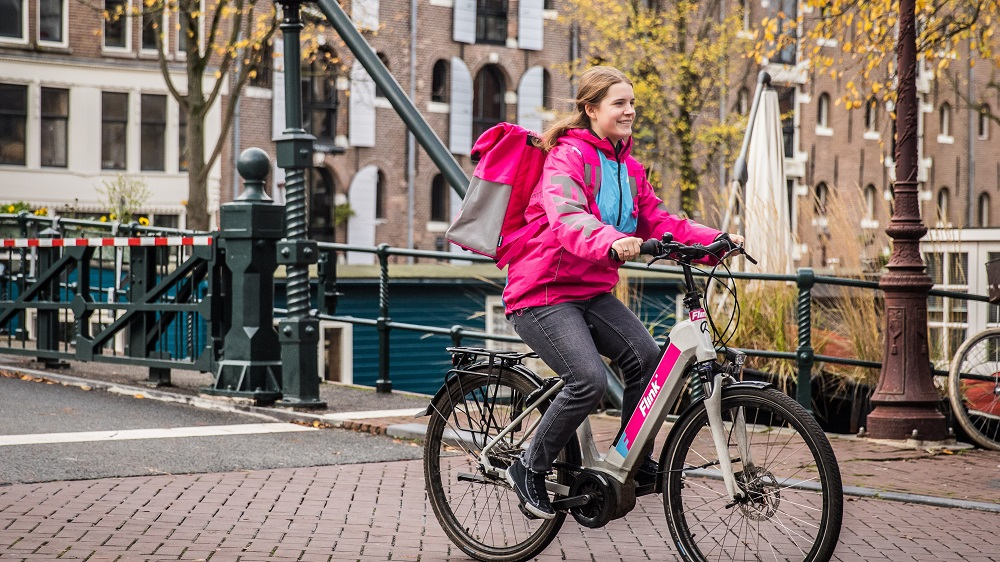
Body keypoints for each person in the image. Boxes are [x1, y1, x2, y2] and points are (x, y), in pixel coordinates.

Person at [502, 66, 745, 519]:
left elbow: (663, 222)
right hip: (544, 292)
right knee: (588, 381)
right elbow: (568, 215)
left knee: (649, 360)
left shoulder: (629, 169)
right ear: (591, 110)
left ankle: (628, 461)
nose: (630, 110)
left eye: (632, 102)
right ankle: (529, 467)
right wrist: (609, 241)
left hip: (591, 290)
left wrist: (716, 241)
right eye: (619, 103)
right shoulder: (566, 158)